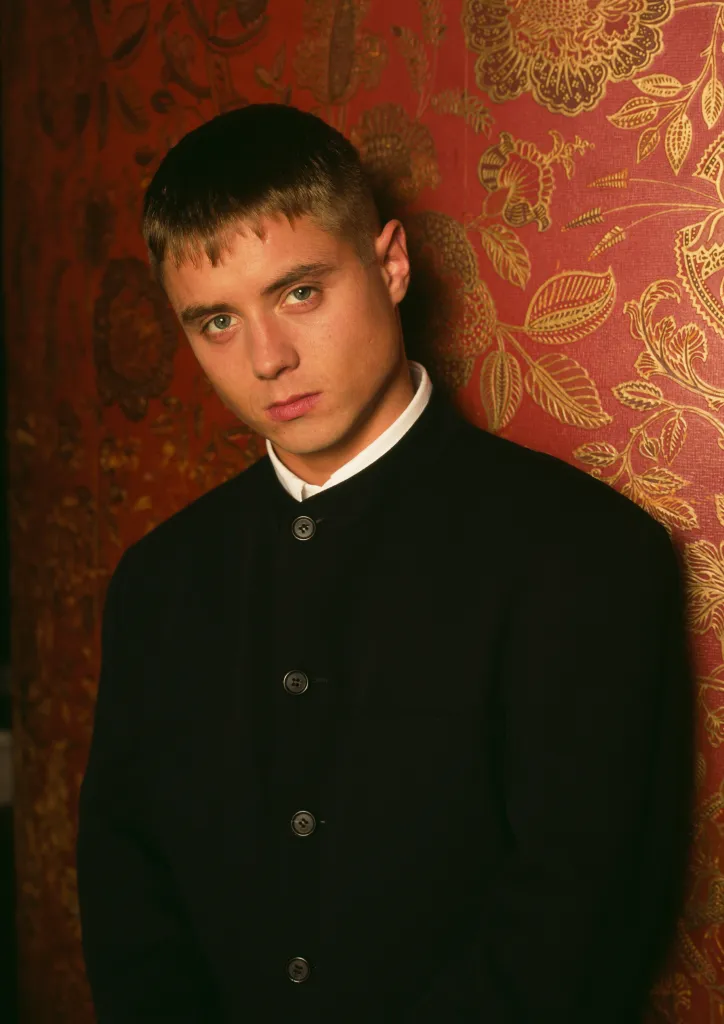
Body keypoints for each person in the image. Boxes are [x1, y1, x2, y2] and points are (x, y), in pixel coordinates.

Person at [76, 103, 693, 1023]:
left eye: (299, 292)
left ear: (391, 264)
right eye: (215, 321)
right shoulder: (158, 584)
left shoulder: (585, 552)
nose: (268, 359)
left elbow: (577, 927)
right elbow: (131, 905)